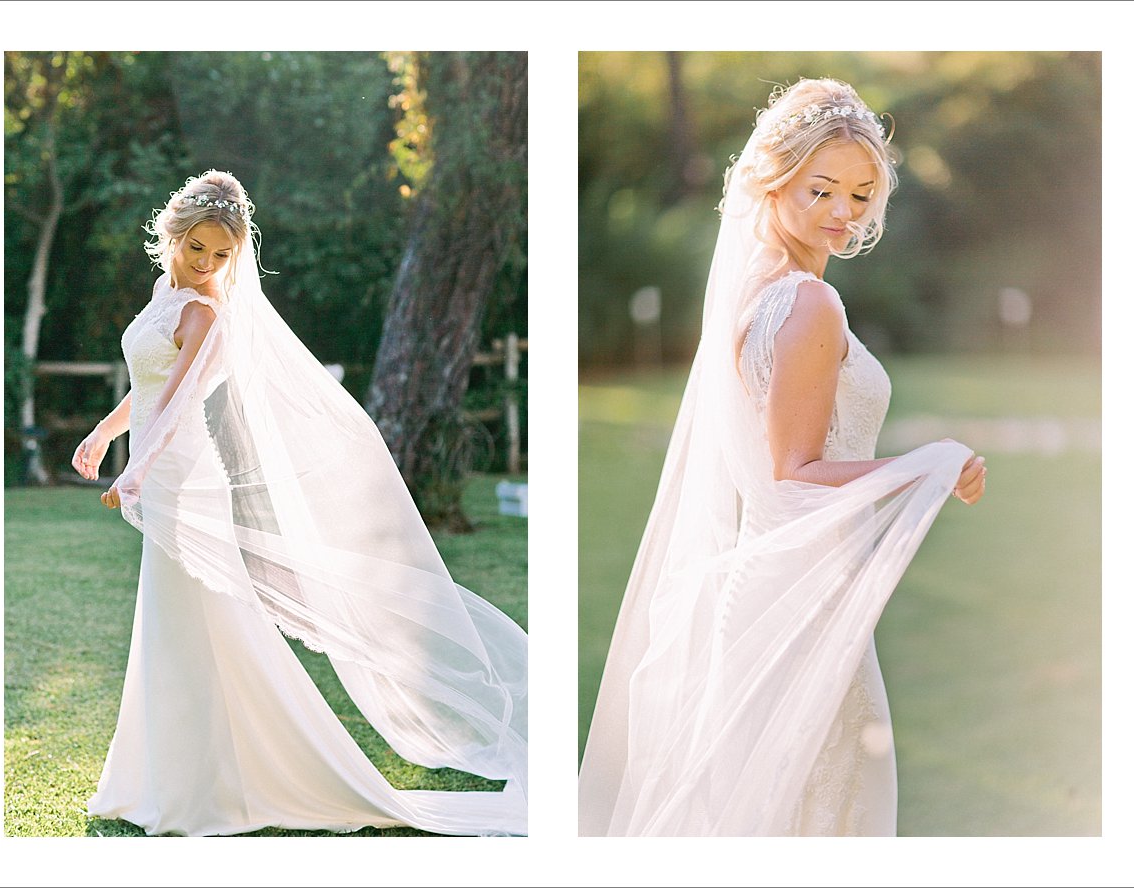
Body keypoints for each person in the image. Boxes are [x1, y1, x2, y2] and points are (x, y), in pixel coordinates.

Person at [577, 79, 986, 837]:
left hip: (780, 584)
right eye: (822, 188)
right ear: (775, 178)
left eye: (861, 194)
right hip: (797, 598)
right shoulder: (807, 303)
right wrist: (927, 464)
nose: (843, 212)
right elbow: (794, 473)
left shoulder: (758, 290)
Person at [72, 170, 527, 837]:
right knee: (181, 620)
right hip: (156, 462)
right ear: (171, 236)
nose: (206, 265)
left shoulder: (203, 311)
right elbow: (148, 386)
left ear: (237, 257)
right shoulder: (166, 294)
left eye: (221, 256)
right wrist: (105, 433)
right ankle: (172, 773)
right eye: (197, 248)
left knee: (201, 613)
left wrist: (137, 467)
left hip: (181, 468)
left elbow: (178, 400)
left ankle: (211, 785)